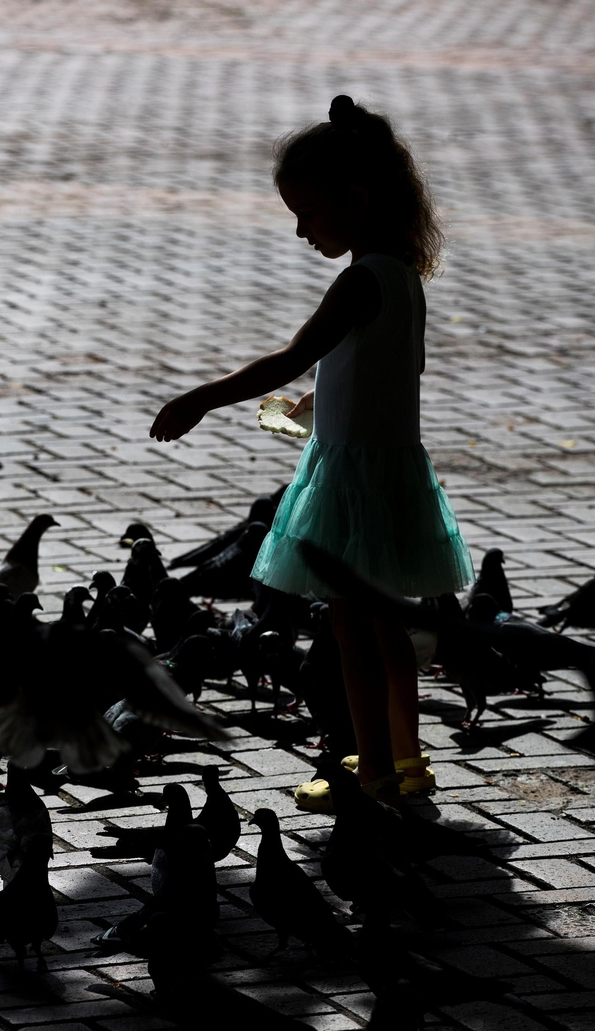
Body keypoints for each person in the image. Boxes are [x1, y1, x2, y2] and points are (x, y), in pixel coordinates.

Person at [150, 94, 472, 807]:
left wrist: (201, 397)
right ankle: (407, 760)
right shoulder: (401, 273)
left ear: (354, 201)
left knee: (352, 631)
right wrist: (316, 405)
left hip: (352, 478)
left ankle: (373, 769)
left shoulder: (358, 280)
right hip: (393, 470)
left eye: (308, 212)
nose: (300, 229)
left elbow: (291, 357)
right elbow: (391, 368)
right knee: (386, 630)